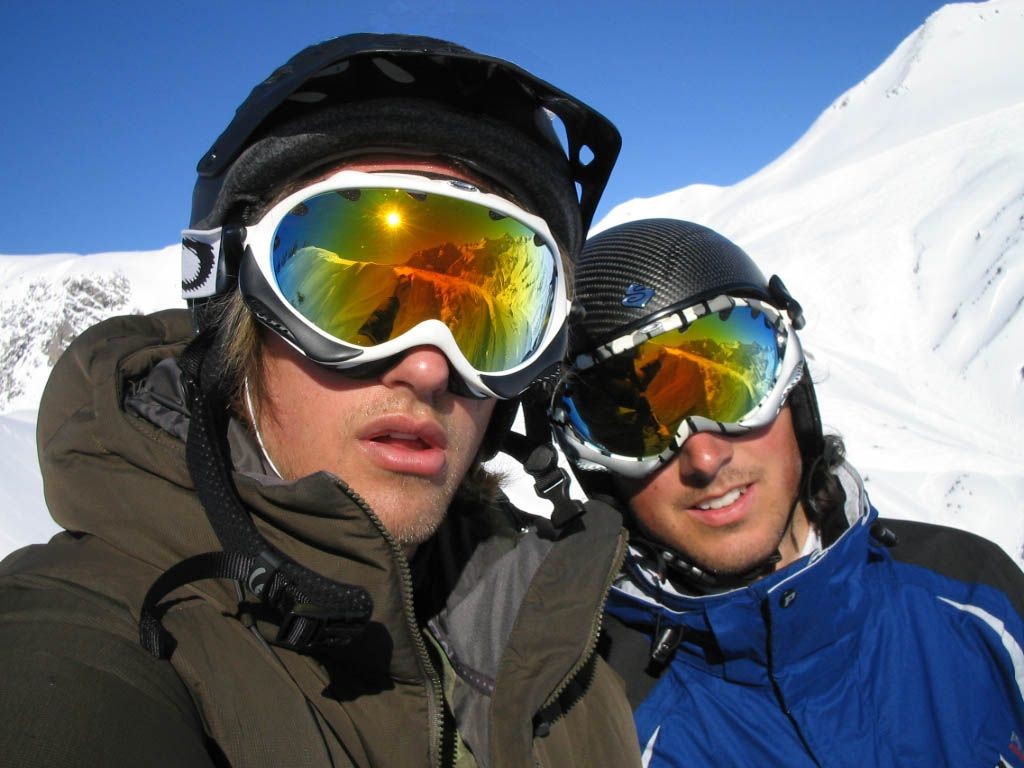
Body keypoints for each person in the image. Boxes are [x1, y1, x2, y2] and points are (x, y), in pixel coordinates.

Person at [0, 34, 644, 767]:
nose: (429, 367)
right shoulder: (96, 633)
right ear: (239, 305)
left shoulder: (559, 657)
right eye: (359, 297)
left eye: (483, 316)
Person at [548, 217, 1024, 766]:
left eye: (732, 385)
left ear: (795, 394)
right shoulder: (599, 725)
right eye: (633, 427)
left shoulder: (975, 595)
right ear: (599, 473)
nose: (705, 457)